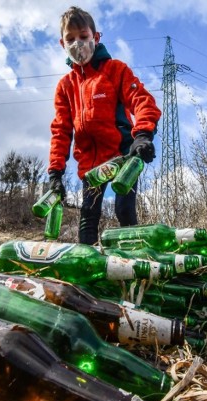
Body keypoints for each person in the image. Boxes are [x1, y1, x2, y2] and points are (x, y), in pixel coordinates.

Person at [48, 6, 161, 245]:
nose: (77, 43)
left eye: (83, 36)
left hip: (123, 156)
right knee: (88, 215)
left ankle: (134, 260)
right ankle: (87, 269)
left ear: (95, 37)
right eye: (71, 39)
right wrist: (55, 172)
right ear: (62, 44)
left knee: (124, 210)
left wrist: (143, 135)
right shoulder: (66, 87)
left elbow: (142, 101)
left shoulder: (115, 70)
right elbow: (61, 131)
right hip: (91, 165)